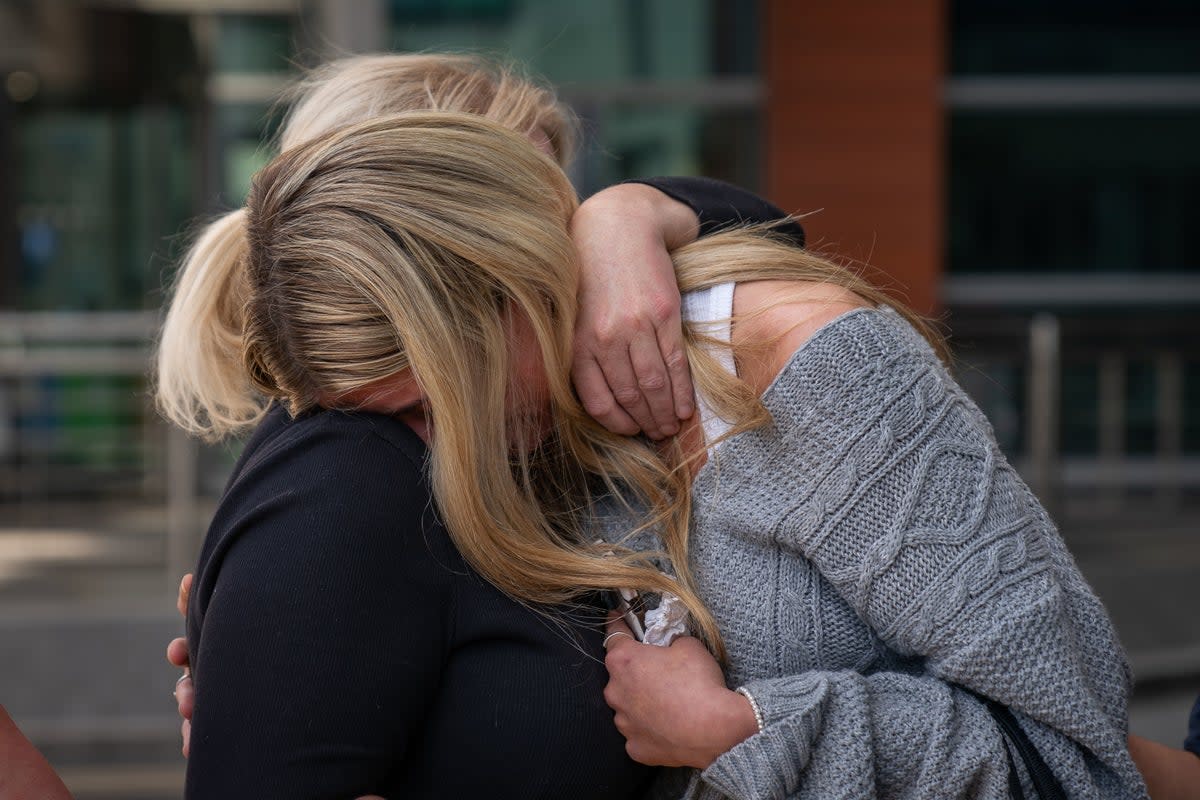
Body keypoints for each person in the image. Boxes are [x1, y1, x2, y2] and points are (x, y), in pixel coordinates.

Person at [162, 109, 1147, 798]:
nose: (426, 454)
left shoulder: (812, 369)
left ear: (509, 286)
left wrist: (752, 732)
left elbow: (1077, 759)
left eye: (428, 409)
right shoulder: (553, 418)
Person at [156, 55, 802, 799]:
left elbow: (773, 248)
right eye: (521, 219)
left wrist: (630, 217)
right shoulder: (347, 471)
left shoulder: (428, 429)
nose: (565, 270)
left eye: (570, 219)